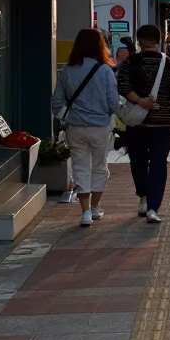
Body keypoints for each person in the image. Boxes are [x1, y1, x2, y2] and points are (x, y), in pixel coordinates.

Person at [117, 23, 170, 223]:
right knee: (158, 164)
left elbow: (122, 87)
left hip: (136, 124)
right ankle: (153, 208)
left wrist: (139, 101)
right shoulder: (169, 63)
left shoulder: (129, 62)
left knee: (138, 162)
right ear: (158, 40)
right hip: (161, 124)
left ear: (139, 40)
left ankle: (143, 197)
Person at [51, 28, 120, 228]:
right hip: (100, 126)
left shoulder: (67, 70)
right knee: (99, 166)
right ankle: (96, 207)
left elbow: (56, 102)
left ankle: (85, 212)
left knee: (80, 167)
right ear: (100, 45)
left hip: (75, 127)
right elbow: (113, 102)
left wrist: (68, 117)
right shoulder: (105, 70)